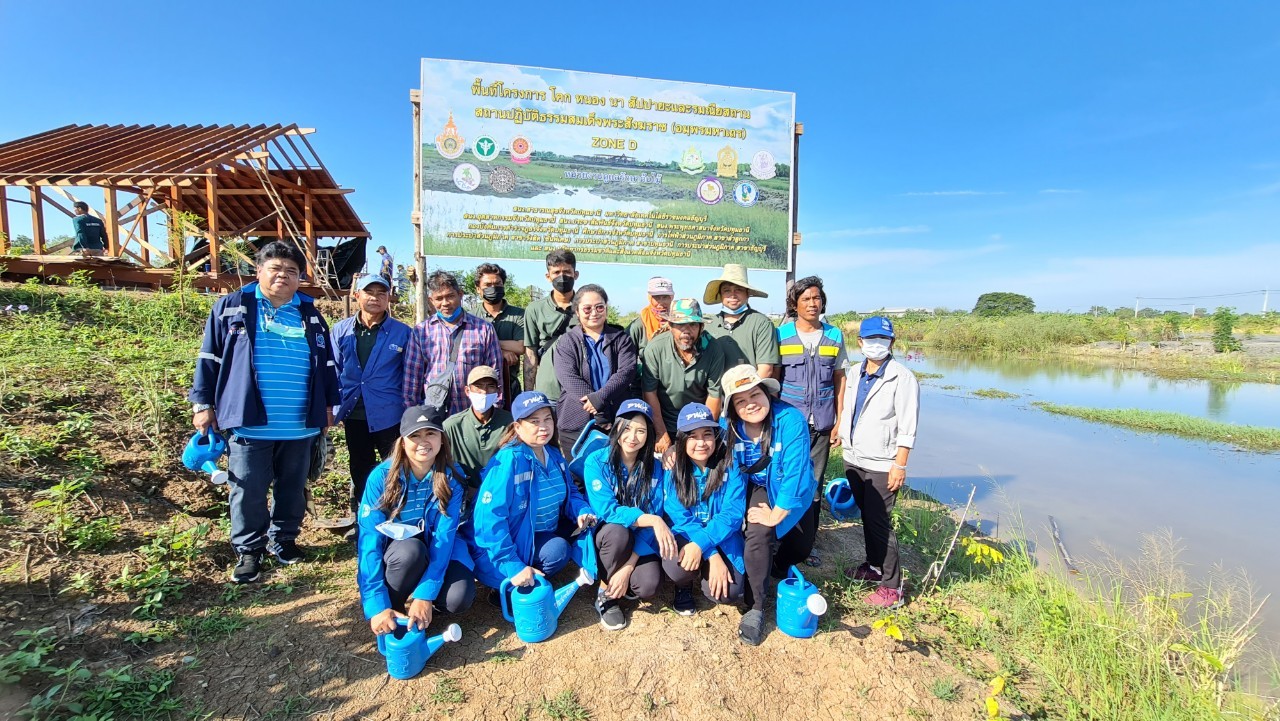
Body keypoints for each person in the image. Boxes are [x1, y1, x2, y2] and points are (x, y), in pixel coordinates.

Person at [190, 241, 340, 583]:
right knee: (249, 490)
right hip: (249, 422)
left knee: (292, 486)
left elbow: (327, 365)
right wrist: (203, 405)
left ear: (300, 277)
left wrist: (328, 406)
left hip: (300, 424)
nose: (283, 276)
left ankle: (284, 541)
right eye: (275, 269)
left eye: (291, 271)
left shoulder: (311, 315)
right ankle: (249, 551)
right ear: (259, 271)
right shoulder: (232, 307)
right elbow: (209, 358)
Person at [357, 405, 476, 637]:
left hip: (437, 549)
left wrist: (425, 594)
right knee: (411, 550)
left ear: (442, 439)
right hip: (400, 554)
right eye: (415, 435)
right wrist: (376, 605)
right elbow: (369, 541)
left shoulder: (451, 477)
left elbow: (444, 537)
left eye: (430, 433)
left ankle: (425, 607)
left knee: (459, 597)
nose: (423, 441)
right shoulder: (381, 478)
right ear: (402, 442)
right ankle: (392, 605)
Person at [721, 364, 819, 645]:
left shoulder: (790, 420)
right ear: (733, 409)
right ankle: (755, 606)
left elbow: (795, 473)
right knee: (758, 532)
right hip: (754, 486)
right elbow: (713, 460)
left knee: (799, 548)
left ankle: (770, 562)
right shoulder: (727, 428)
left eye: (755, 395)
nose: (750, 404)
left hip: (790, 488)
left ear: (766, 392)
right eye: (740, 401)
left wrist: (778, 513)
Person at [469, 391, 597, 597]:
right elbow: (489, 519)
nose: (543, 426)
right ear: (518, 427)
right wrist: (512, 565)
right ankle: (514, 585)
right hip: (512, 541)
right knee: (558, 550)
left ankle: (529, 575)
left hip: (541, 531)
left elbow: (571, 491)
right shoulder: (509, 461)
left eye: (548, 419)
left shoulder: (553, 454)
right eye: (534, 421)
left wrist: (581, 509)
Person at [838, 316, 920, 608]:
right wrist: (840, 431)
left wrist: (900, 464)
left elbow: (908, 425)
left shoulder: (902, 377)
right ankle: (873, 568)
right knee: (867, 517)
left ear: (892, 343)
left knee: (880, 523)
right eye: (870, 339)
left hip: (883, 463)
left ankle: (892, 588)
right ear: (859, 342)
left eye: (882, 340)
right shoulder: (854, 372)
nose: (876, 345)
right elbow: (848, 408)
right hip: (854, 457)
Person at [581, 399, 674, 630]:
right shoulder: (597, 461)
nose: (633, 436)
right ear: (617, 428)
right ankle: (606, 593)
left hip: (640, 539)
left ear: (649, 434)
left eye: (641, 430)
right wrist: (652, 520)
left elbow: (656, 510)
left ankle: (621, 580)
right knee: (618, 532)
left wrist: (628, 568)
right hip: (609, 535)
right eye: (628, 428)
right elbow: (607, 510)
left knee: (648, 586)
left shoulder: (655, 468)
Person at [332, 274, 412, 522]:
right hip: (354, 414)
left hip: (390, 414)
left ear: (389, 298)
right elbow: (334, 369)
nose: (375, 298)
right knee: (360, 467)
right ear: (357, 296)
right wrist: (332, 408)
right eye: (369, 292)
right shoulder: (341, 331)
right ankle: (365, 518)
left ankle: (396, 516)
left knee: (395, 467)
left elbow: (409, 373)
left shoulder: (402, 333)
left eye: (381, 293)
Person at [661, 403, 746, 617]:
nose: (701, 443)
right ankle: (684, 586)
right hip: (686, 535)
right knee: (678, 569)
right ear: (682, 439)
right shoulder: (673, 470)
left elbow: (732, 515)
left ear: (716, 436)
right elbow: (679, 517)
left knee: (730, 592)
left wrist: (703, 545)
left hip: (723, 536)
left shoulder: (730, 465)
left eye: (707, 434)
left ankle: (705, 570)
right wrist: (711, 553)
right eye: (692, 436)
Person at [777, 276, 847, 526]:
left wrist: (840, 421)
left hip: (822, 423)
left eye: (816, 298)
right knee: (786, 478)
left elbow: (840, 379)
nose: (812, 303)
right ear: (794, 305)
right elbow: (774, 381)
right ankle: (782, 535)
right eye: (805, 299)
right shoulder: (780, 335)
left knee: (814, 485)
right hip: (789, 424)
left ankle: (808, 540)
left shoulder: (834, 336)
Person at [553, 284, 638, 461]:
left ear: (606, 308)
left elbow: (626, 372)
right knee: (579, 478)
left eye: (600, 307)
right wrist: (597, 406)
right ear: (577, 311)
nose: (594, 312)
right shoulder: (567, 341)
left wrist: (601, 398)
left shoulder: (621, 339)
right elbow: (567, 376)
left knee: (615, 474)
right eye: (587, 308)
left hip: (616, 420)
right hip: (576, 421)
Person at [402, 270, 502, 414]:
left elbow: (495, 373)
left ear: (460, 295)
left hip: (473, 415)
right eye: (439, 298)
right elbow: (412, 379)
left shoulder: (483, 329)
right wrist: (413, 416)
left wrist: (494, 411)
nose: (445, 303)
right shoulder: (421, 332)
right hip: (433, 415)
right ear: (431, 300)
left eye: (450, 296)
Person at [641, 299, 726, 454]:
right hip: (665, 421)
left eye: (693, 325)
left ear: (701, 327)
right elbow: (649, 393)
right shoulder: (655, 348)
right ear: (670, 326)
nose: (686, 331)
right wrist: (661, 433)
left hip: (698, 420)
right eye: (680, 325)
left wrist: (702, 433)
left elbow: (714, 395)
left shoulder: (713, 349)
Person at [443, 366, 514, 494]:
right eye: (478, 386)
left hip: (501, 492)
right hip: (464, 494)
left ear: (498, 391)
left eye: (490, 386)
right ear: (467, 390)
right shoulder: (452, 426)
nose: (484, 392)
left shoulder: (510, 423)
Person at [702, 264, 780, 378]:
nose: (733, 295)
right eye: (727, 290)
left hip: (749, 391)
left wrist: (741, 394)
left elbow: (765, 370)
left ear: (747, 293)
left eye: (738, 290)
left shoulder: (761, 323)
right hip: (716, 393)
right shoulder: (709, 325)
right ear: (720, 295)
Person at [523, 249, 579, 401]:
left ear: (576, 274)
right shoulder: (534, 309)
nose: (562, 276)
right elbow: (530, 354)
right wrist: (528, 394)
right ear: (548, 276)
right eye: (556, 272)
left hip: (580, 389)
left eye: (567, 271)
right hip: (548, 389)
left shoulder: (587, 307)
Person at [474, 263, 526, 408]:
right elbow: (471, 347)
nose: (493, 287)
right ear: (478, 289)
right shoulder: (471, 316)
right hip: (478, 386)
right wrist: (501, 351)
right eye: (488, 284)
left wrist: (486, 342)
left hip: (510, 383)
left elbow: (520, 346)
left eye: (497, 284)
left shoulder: (519, 314)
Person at [626, 276, 674, 356]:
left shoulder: (679, 322)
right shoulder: (637, 326)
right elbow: (626, 356)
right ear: (650, 298)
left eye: (665, 297)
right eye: (657, 297)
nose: (661, 302)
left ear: (671, 298)